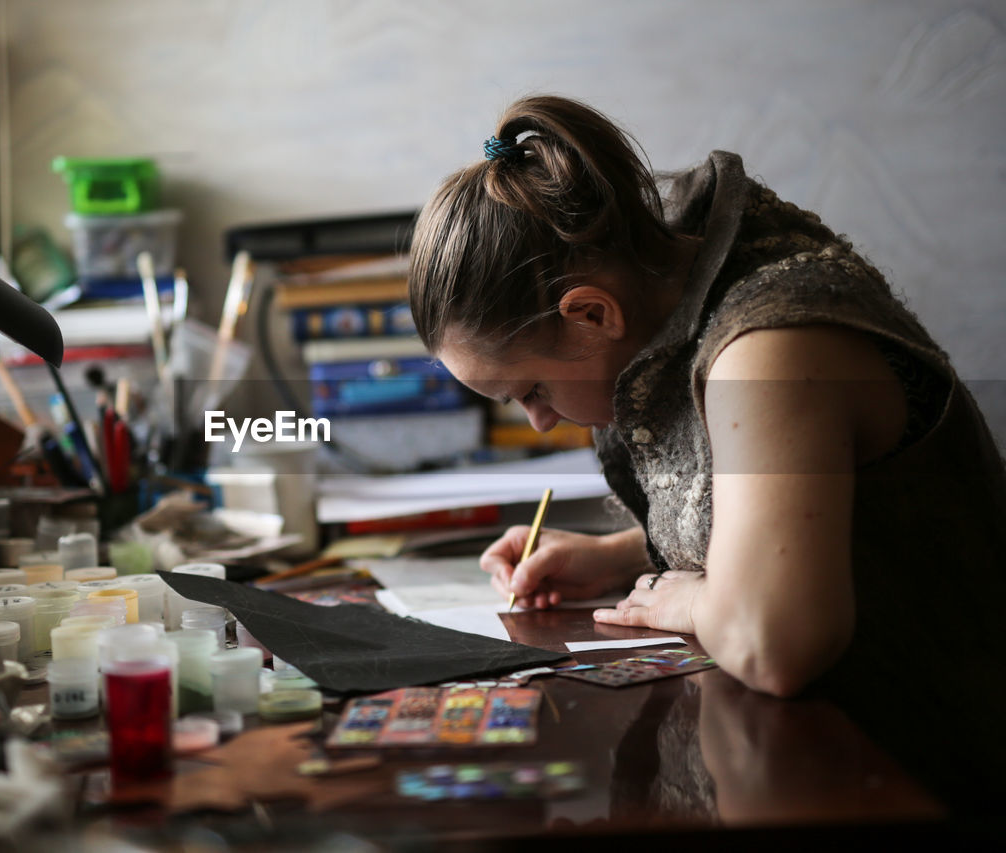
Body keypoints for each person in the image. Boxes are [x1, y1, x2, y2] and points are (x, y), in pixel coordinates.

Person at [407, 94, 1006, 815]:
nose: (537, 421)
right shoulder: (672, 281)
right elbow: (813, 508)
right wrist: (626, 551)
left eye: (531, 388)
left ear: (592, 313)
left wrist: (687, 595)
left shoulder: (770, 349)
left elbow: (774, 640)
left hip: (924, 781)